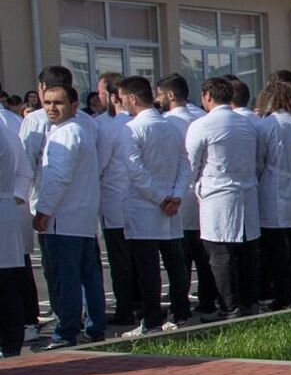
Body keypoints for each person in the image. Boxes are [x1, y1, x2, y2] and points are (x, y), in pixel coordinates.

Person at [33, 81, 107, 346]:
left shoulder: (66, 133)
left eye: (59, 102)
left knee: (67, 279)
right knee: (89, 277)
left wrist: (43, 211)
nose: (52, 108)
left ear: (74, 105)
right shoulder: (78, 131)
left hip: (64, 220)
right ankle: (95, 326)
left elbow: (58, 179)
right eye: (48, 102)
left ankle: (66, 332)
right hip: (81, 218)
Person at [186, 76, 267, 317]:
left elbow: (191, 163)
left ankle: (229, 306)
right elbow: (259, 161)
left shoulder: (203, 125)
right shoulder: (246, 124)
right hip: (247, 193)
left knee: (219, 255)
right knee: (247, 253)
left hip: (217, 194)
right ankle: (249, 302)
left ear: (207, 96)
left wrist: (195, 187)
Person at [119, 76, 190, 334]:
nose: (121, 102)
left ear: (133, 98)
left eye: (122, 97)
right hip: (169, 204)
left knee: (148, 268)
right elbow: (185, 162)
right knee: (174, 264)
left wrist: (162, 198)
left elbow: (135, 171)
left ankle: (151, 321)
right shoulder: (170, 126)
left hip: (146, 206)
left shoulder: (131, 129)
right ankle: (180, 313)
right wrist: (176, 194)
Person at [157, 74, 218, 319]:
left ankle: (179, 306)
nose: (156, 99)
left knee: (179, 262)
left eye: (159, 94)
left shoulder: (166, 123)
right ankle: (207, 301)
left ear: (170, 95)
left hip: (178, 197)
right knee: (204, 258)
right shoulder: (202, 117)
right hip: (201, 198)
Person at [253, 81, 291, 310]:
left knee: (276, 248)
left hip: (274, 185)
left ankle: (282, 295)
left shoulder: (266, 125)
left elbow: (259, 160)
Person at [92, 73, 139, 326]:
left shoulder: (105, 126)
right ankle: (139, 302)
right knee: (138, 256)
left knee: (120, 259)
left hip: (114, 198)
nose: (98, 98)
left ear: (112, 96)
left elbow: (98, 166)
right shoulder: (137, 121)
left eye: (100, 93)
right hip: (136, 199)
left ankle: (124, 308)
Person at [0, 97, 31, 355]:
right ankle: (11, 343)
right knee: (7, 281)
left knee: (5, 283)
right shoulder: (6, 130)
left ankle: (10, 344)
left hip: (3, 206)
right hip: (6, 208)